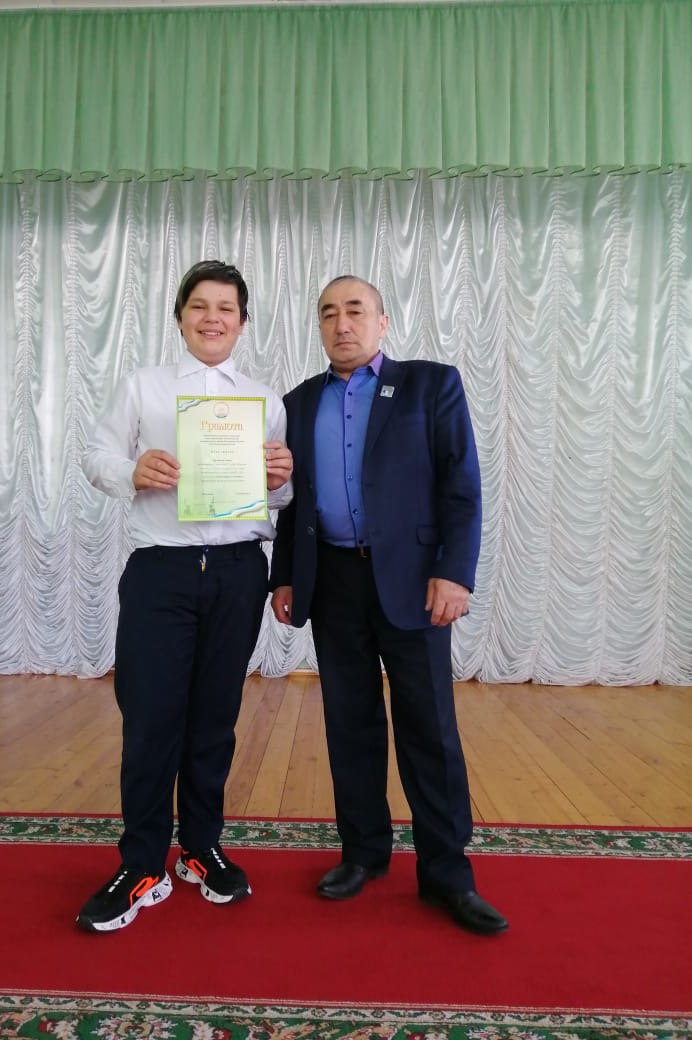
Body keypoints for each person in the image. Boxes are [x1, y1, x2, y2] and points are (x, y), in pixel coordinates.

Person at [269, 275, 507, 936]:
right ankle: (363, 853)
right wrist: (285, 577)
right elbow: (292, 501)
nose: (341, 324)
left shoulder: (431, 385)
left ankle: (448, 873)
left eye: (355, 310)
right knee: (350, 725)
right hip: (333, 582)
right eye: (328, 314)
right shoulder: (298, 402)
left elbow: (461, 486)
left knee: (428, 728)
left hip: (414, 583)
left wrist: (453, 573)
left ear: (382, 321)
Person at [77, 260, 293, 933]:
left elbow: (279, 496)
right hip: (160, 570)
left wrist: (282, 478)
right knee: (149, 719)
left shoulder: (265, 401)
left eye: (226, 308)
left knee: (215, 718)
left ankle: (201, 849)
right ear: (179, 317)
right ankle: (142, 863)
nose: (212, 318)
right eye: (199, 306)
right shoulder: (143, 386)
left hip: (238, 571)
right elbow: (95, 456)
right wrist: (132, 470)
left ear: (243, 322)